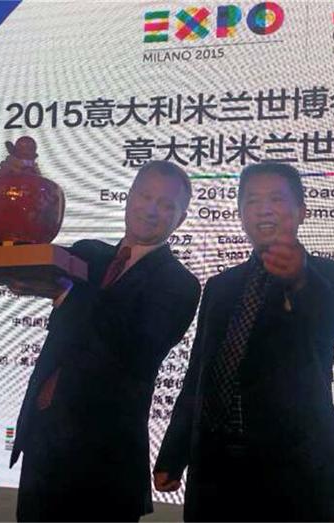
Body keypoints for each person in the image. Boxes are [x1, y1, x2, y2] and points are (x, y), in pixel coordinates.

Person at [154, 163, 334, 522]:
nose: (264, 209)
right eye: (252, 201)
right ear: (241, 214)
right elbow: (199, 374)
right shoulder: (220, 287)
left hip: (292, 471)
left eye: (276, 199)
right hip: (216, 466)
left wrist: (300, 279)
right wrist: (173, 453)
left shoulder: (333, 276)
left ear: (301, 211)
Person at [11, 160, 201, 522]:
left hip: (105, 463)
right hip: (43, 441)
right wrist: (23, 184)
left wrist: (66, 296)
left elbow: (132, 349)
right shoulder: (87, 256)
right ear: (128, 197)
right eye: (144, 196)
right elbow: (28, 250)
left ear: (181, 218)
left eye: (166, 204)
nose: (151, 209)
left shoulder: (179, 284)